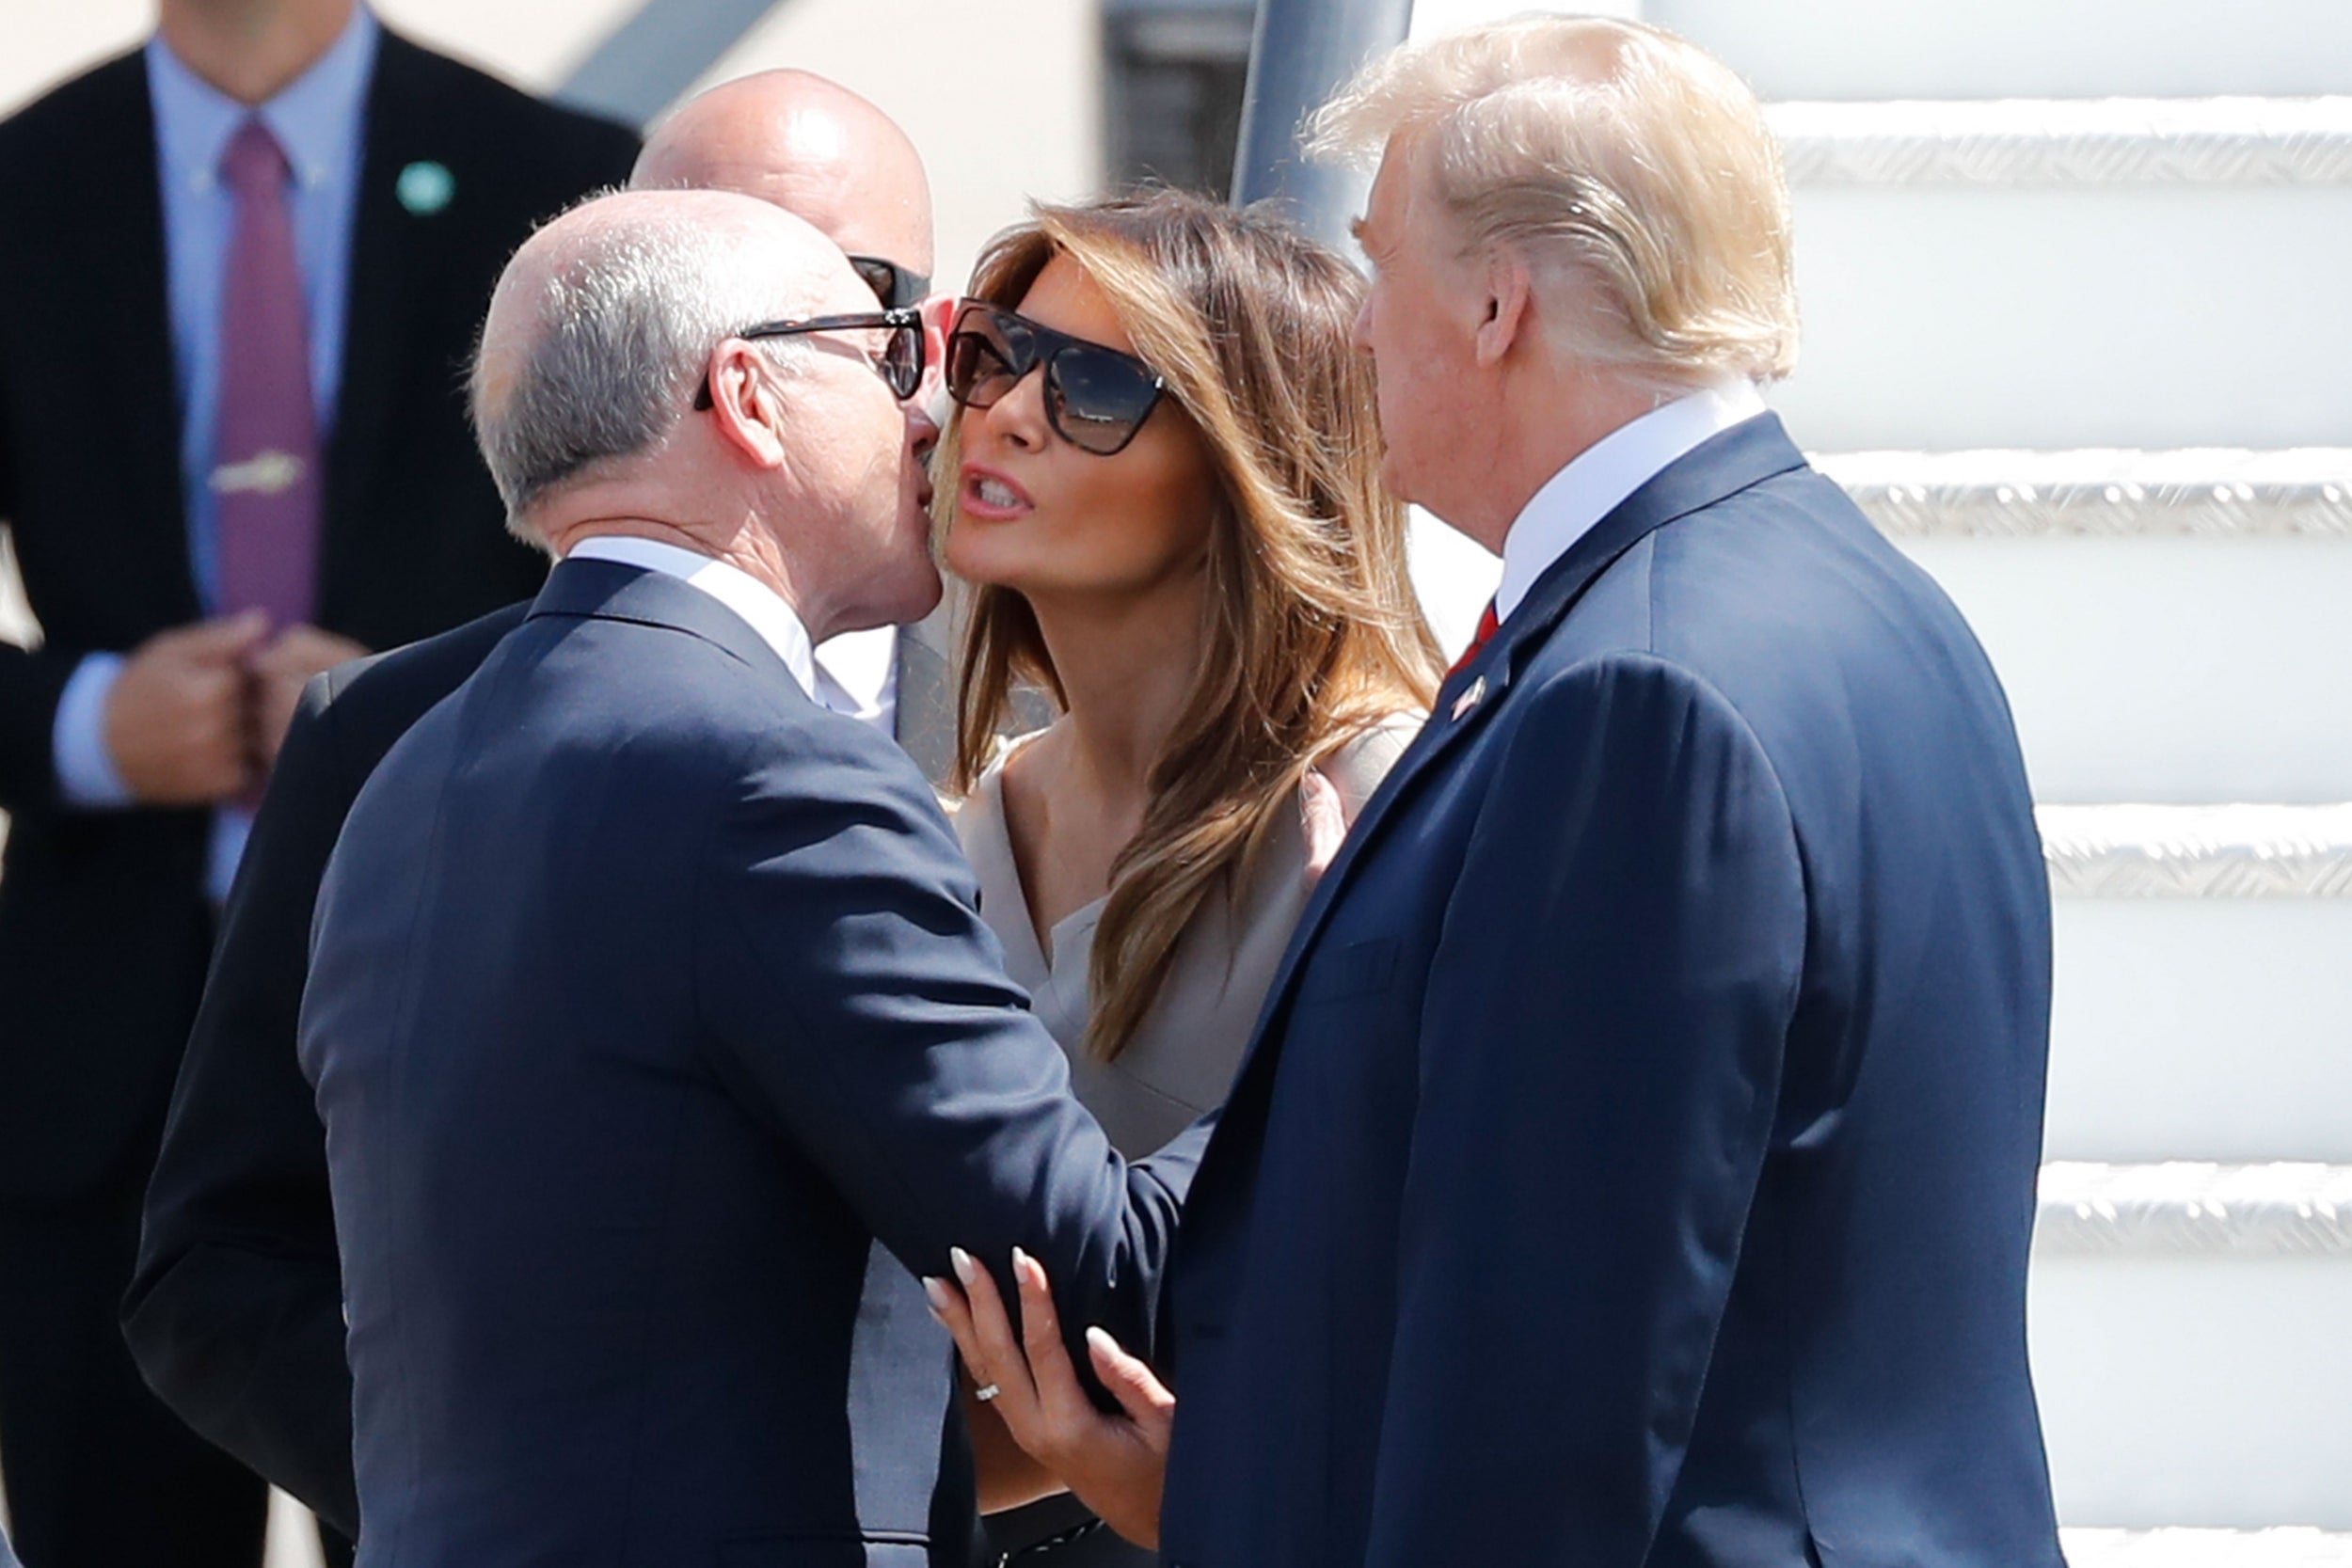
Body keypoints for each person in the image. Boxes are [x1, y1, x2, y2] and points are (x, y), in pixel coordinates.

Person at [930, 17, 2066, 1567]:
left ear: (1493, 302)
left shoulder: (1636, 692)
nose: (1354, 332)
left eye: (1377, 267)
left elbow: (1547, 1396)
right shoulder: (1862, 605)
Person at [301, 189, 1198, 1566]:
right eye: (890, 348)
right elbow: (1098, 1278)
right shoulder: (774, 777)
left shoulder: (403, 781)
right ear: (750, 395)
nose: (930, 413)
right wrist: (1355, 981)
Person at [123, 70, 953, 1549]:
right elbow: (222, 1261)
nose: (725, 324)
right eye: (673, 263)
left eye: (833, 287)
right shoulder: (392, 729)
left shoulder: (1074, 705)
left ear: (924, 343)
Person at [0, 0, 636, 1559]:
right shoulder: (24, 182)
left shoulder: (561, 183)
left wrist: (413, 706)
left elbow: (652, 585)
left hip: (468, 1001)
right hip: (103, 1050)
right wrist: (85, 723)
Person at [933, 189, 1438, 1564]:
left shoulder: (1384, 805)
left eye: (1095, 383)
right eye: (992, 352)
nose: (1010, 413)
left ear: (1251, 457)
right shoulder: (964, 825)